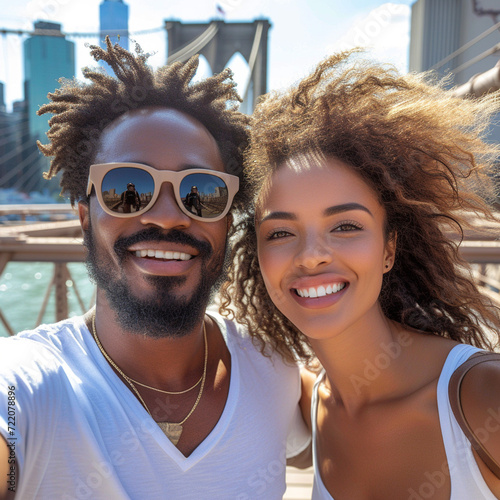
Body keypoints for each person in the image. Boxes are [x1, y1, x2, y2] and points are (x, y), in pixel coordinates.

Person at [0, 39, 310, 500]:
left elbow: (349, 434)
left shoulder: (276, 370)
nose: (166, 217)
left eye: (201, 192)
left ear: (227, 218)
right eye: (128, 188)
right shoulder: (24, 383)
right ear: (86, 215)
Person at [220, 50, 500, 499]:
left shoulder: (483, 398)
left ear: (389, 248)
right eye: (280, 232)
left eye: (346, 226)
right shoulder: (311, 401)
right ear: (257, 254)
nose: (311, 256)